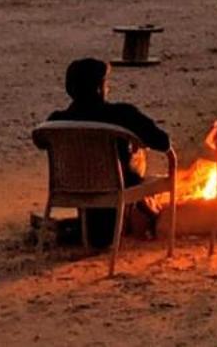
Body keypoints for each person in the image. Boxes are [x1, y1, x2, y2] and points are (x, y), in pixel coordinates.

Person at [47, 57, 172, 247]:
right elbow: (162, 142)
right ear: (99, 88)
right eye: (106, 83)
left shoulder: (56, 121)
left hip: (71, 186)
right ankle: (147, 214)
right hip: (116, 186)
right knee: (137, 158)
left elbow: (41, 142)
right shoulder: (122, 114)